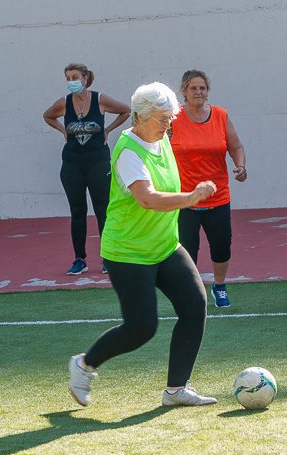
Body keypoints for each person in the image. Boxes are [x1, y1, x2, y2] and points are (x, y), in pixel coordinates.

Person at [68, 82, 219, 408]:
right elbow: (147, 199)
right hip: (129, 252)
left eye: (169, 119)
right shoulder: (127, 152)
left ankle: (176, 390)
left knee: (195, 306)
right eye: (161, 119)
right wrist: (190, 198)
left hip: (164, 245)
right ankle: (84, 365)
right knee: (141, 327)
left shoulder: (160, 138)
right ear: (138, 117)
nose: (167, 126)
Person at [170, 70, 248, 308]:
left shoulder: (220, 116)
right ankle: (192, 291)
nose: (198, 92)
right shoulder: (172, 119)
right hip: (185, 199)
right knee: (187, 249)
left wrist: (240, 166)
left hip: (218, 196)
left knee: (222, 245)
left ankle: (220, 286)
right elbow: (157, 148)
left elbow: (236, 147)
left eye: (202, 88)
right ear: (183, 91)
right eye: (193, 88)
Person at [43, 63, 130, 275]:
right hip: (72, 163)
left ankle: (108, 256)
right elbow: (47, 116)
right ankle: (79, 259)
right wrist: (63, 130)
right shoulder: (64, 103)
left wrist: (108, 129)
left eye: (75, 77)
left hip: (98, 161)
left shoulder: (100, 100)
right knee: (78, 211)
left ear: (85, 79)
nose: (71, 81)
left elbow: (126, 110)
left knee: (103, 210)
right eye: (67, 78)